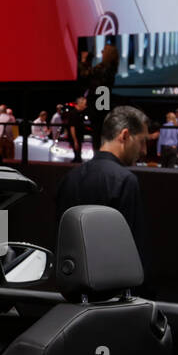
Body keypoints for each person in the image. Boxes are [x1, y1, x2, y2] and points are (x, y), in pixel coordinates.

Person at [55, 106, 150, 267]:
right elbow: (133, 247)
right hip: (112, 282)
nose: (144, 150)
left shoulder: (69, 178)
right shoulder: (125, 181)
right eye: (142, 141)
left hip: (71, 279)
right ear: (125, 135)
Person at [62, 94, 88, 162]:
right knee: (77, 156)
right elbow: (72, 128)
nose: (85, 106)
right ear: (80, 103)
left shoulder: (80, 113)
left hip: (78, 138)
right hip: (76, 138)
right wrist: (75, 141)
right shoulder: (73, 114)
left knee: (78, 156)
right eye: (85, 104)